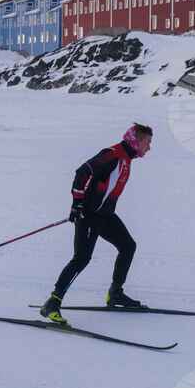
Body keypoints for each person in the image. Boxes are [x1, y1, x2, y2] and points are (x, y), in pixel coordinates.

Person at [40, 123, 153, 324]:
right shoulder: (113, 154)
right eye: (147, 142)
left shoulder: (126, 159)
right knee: (82, 258)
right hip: (89, 215)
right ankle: (52, 303)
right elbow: (83, 172)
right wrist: (77, 204)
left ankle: (115, 293)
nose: (149, 147)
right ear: (136, 141)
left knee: (128, 246)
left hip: (105, 215)